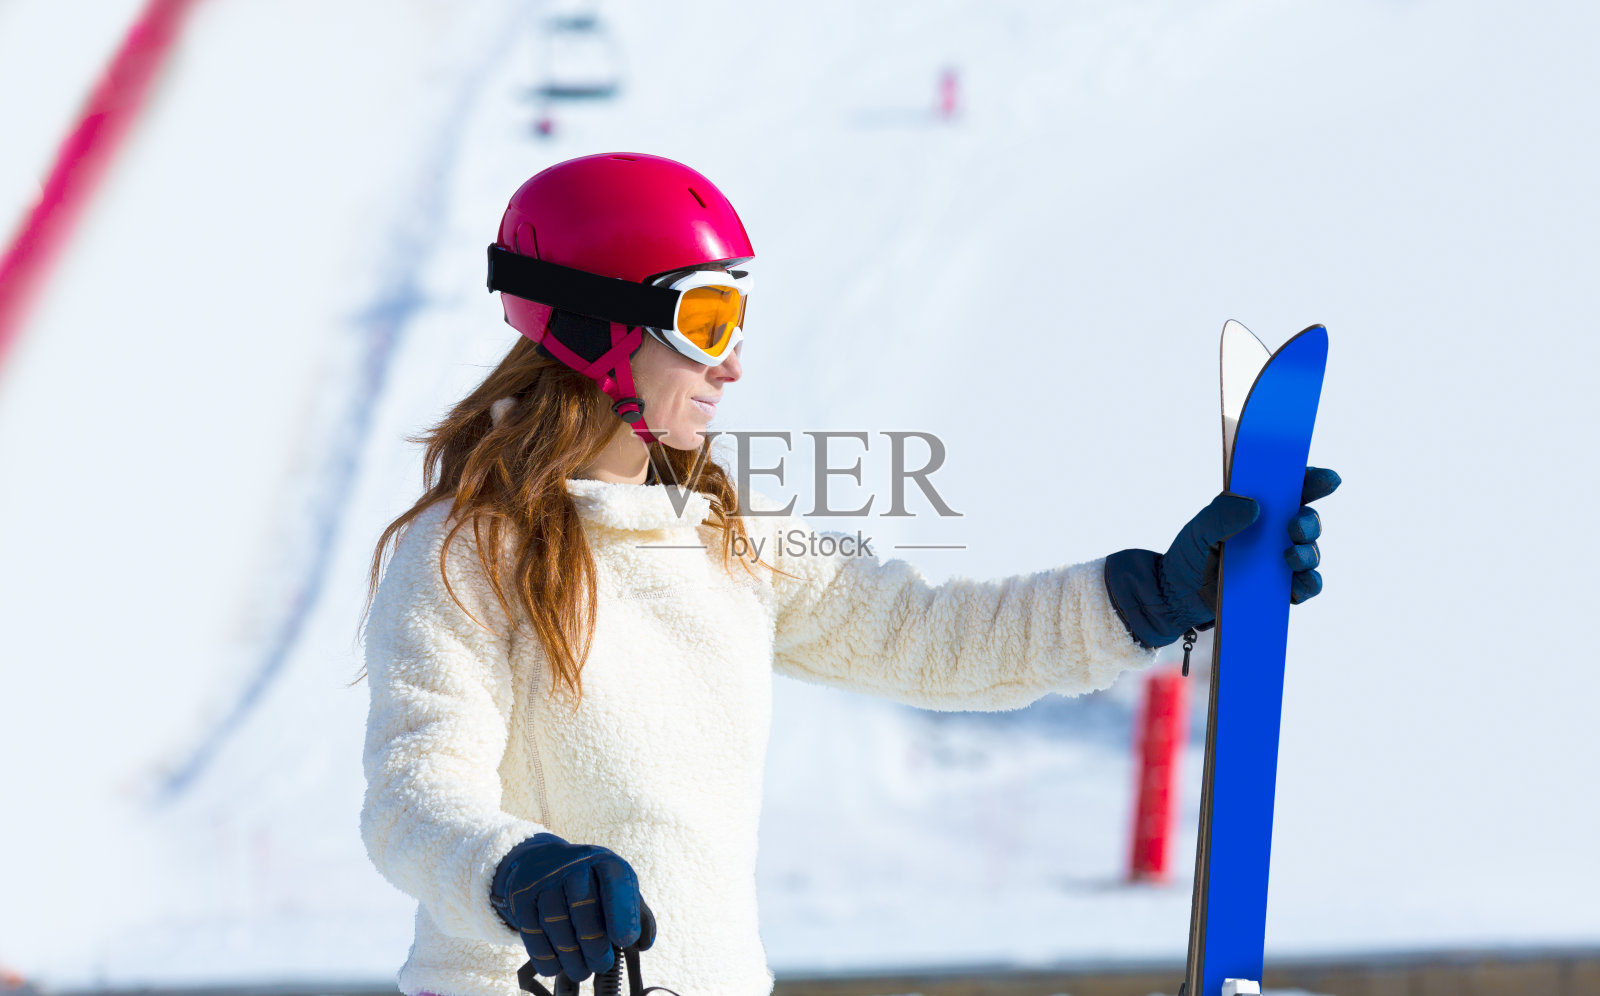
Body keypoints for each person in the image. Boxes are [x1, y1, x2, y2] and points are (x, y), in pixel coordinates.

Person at [357, 152, 1339, 996]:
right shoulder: (469, 555)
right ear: (594, 329)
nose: (731, 364)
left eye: (737, 318)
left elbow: (938, 643)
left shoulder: (731, 541)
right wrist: (517, 874)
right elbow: (413, 798)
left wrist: (1150, 599)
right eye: (704, 321)